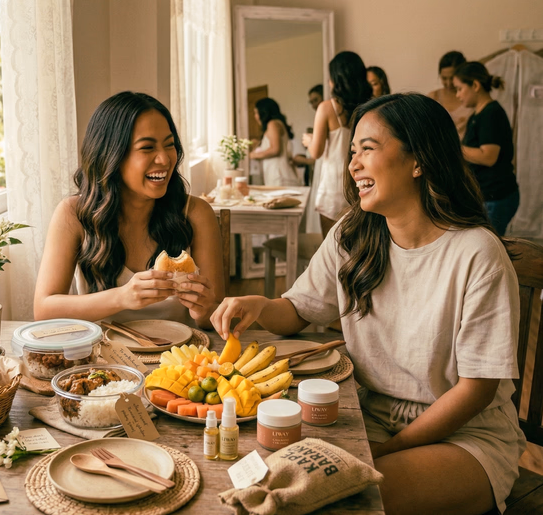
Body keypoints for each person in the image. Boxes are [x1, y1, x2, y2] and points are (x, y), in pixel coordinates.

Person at [212, 93, 525, 515]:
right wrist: (259, 305)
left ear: (419, 161)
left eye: (368, 149)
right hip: (369, 418)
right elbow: (299, 311)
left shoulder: (476, 254)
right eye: (353, 150)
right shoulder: (353, 235)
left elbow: (476, 390)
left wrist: (385, 449)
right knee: (261, 476)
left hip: (465, 437)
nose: (352, 164)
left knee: (341, 501)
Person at [33, 91, 224, 328]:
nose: (165, 159)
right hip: (100, 361)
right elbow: (43, 309)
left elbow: (212, 317)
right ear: (111, 155)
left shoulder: (196, 213)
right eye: (147, 148)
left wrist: (204, 308)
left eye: (169, 145)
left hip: (178, 360)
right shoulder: (73, 214)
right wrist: (123, 297)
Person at [303, 51, 373, 237]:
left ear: (336, 79)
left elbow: (315, 152)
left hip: (334, 186)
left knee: (333, 249)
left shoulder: (327, 108)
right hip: (363, 181)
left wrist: (309, 141)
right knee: (363, 245)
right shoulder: (372, 106)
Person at [454, 62, 520, 235]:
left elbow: (488, 156)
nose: (457, 95)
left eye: (460, 88)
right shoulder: (479, 114)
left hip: (496, 197)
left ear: (475, 85)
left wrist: (453, 148)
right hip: (487, 196)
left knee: (491, 247)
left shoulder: (491, 114)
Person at [250, 97, 301, 187]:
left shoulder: (273, 124)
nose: (255, 116)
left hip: (280, 175)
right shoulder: (277, 124)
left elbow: (275, 150)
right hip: (279, 175)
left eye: (256, 113)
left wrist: (253, 155)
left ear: (263, 112)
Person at [428, 50, 473, 139]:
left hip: (469, 151)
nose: (448, 83)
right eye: (444, 78)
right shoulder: (433, 97)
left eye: (452, 78)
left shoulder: (472, 98)